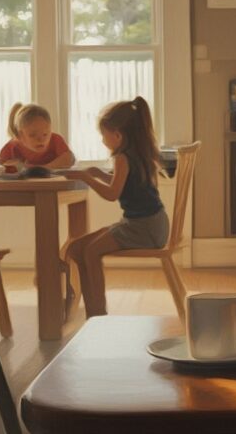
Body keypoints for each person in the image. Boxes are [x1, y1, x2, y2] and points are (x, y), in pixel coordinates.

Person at [61, 97, 168, 317]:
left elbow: (112, 194)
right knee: (77, 248)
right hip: (148, 224)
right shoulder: (136, 155)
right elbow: (122, 181)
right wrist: (98, 173)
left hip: (143, 228)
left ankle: (98, 315)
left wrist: (86, 177)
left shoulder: (122, 158)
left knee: (90, 251)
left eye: (104, 134)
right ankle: (91, 309)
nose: (103, 140)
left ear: (118, 135)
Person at [0, 103, 75, 172]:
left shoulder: (56, 140)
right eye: (32, 135)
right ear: (20, 135)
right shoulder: (11, 147)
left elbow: (69, 158)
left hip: (52, 185)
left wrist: (42, 169)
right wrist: (6, 166)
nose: (41, 139)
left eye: (45, 134)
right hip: (24, 187)